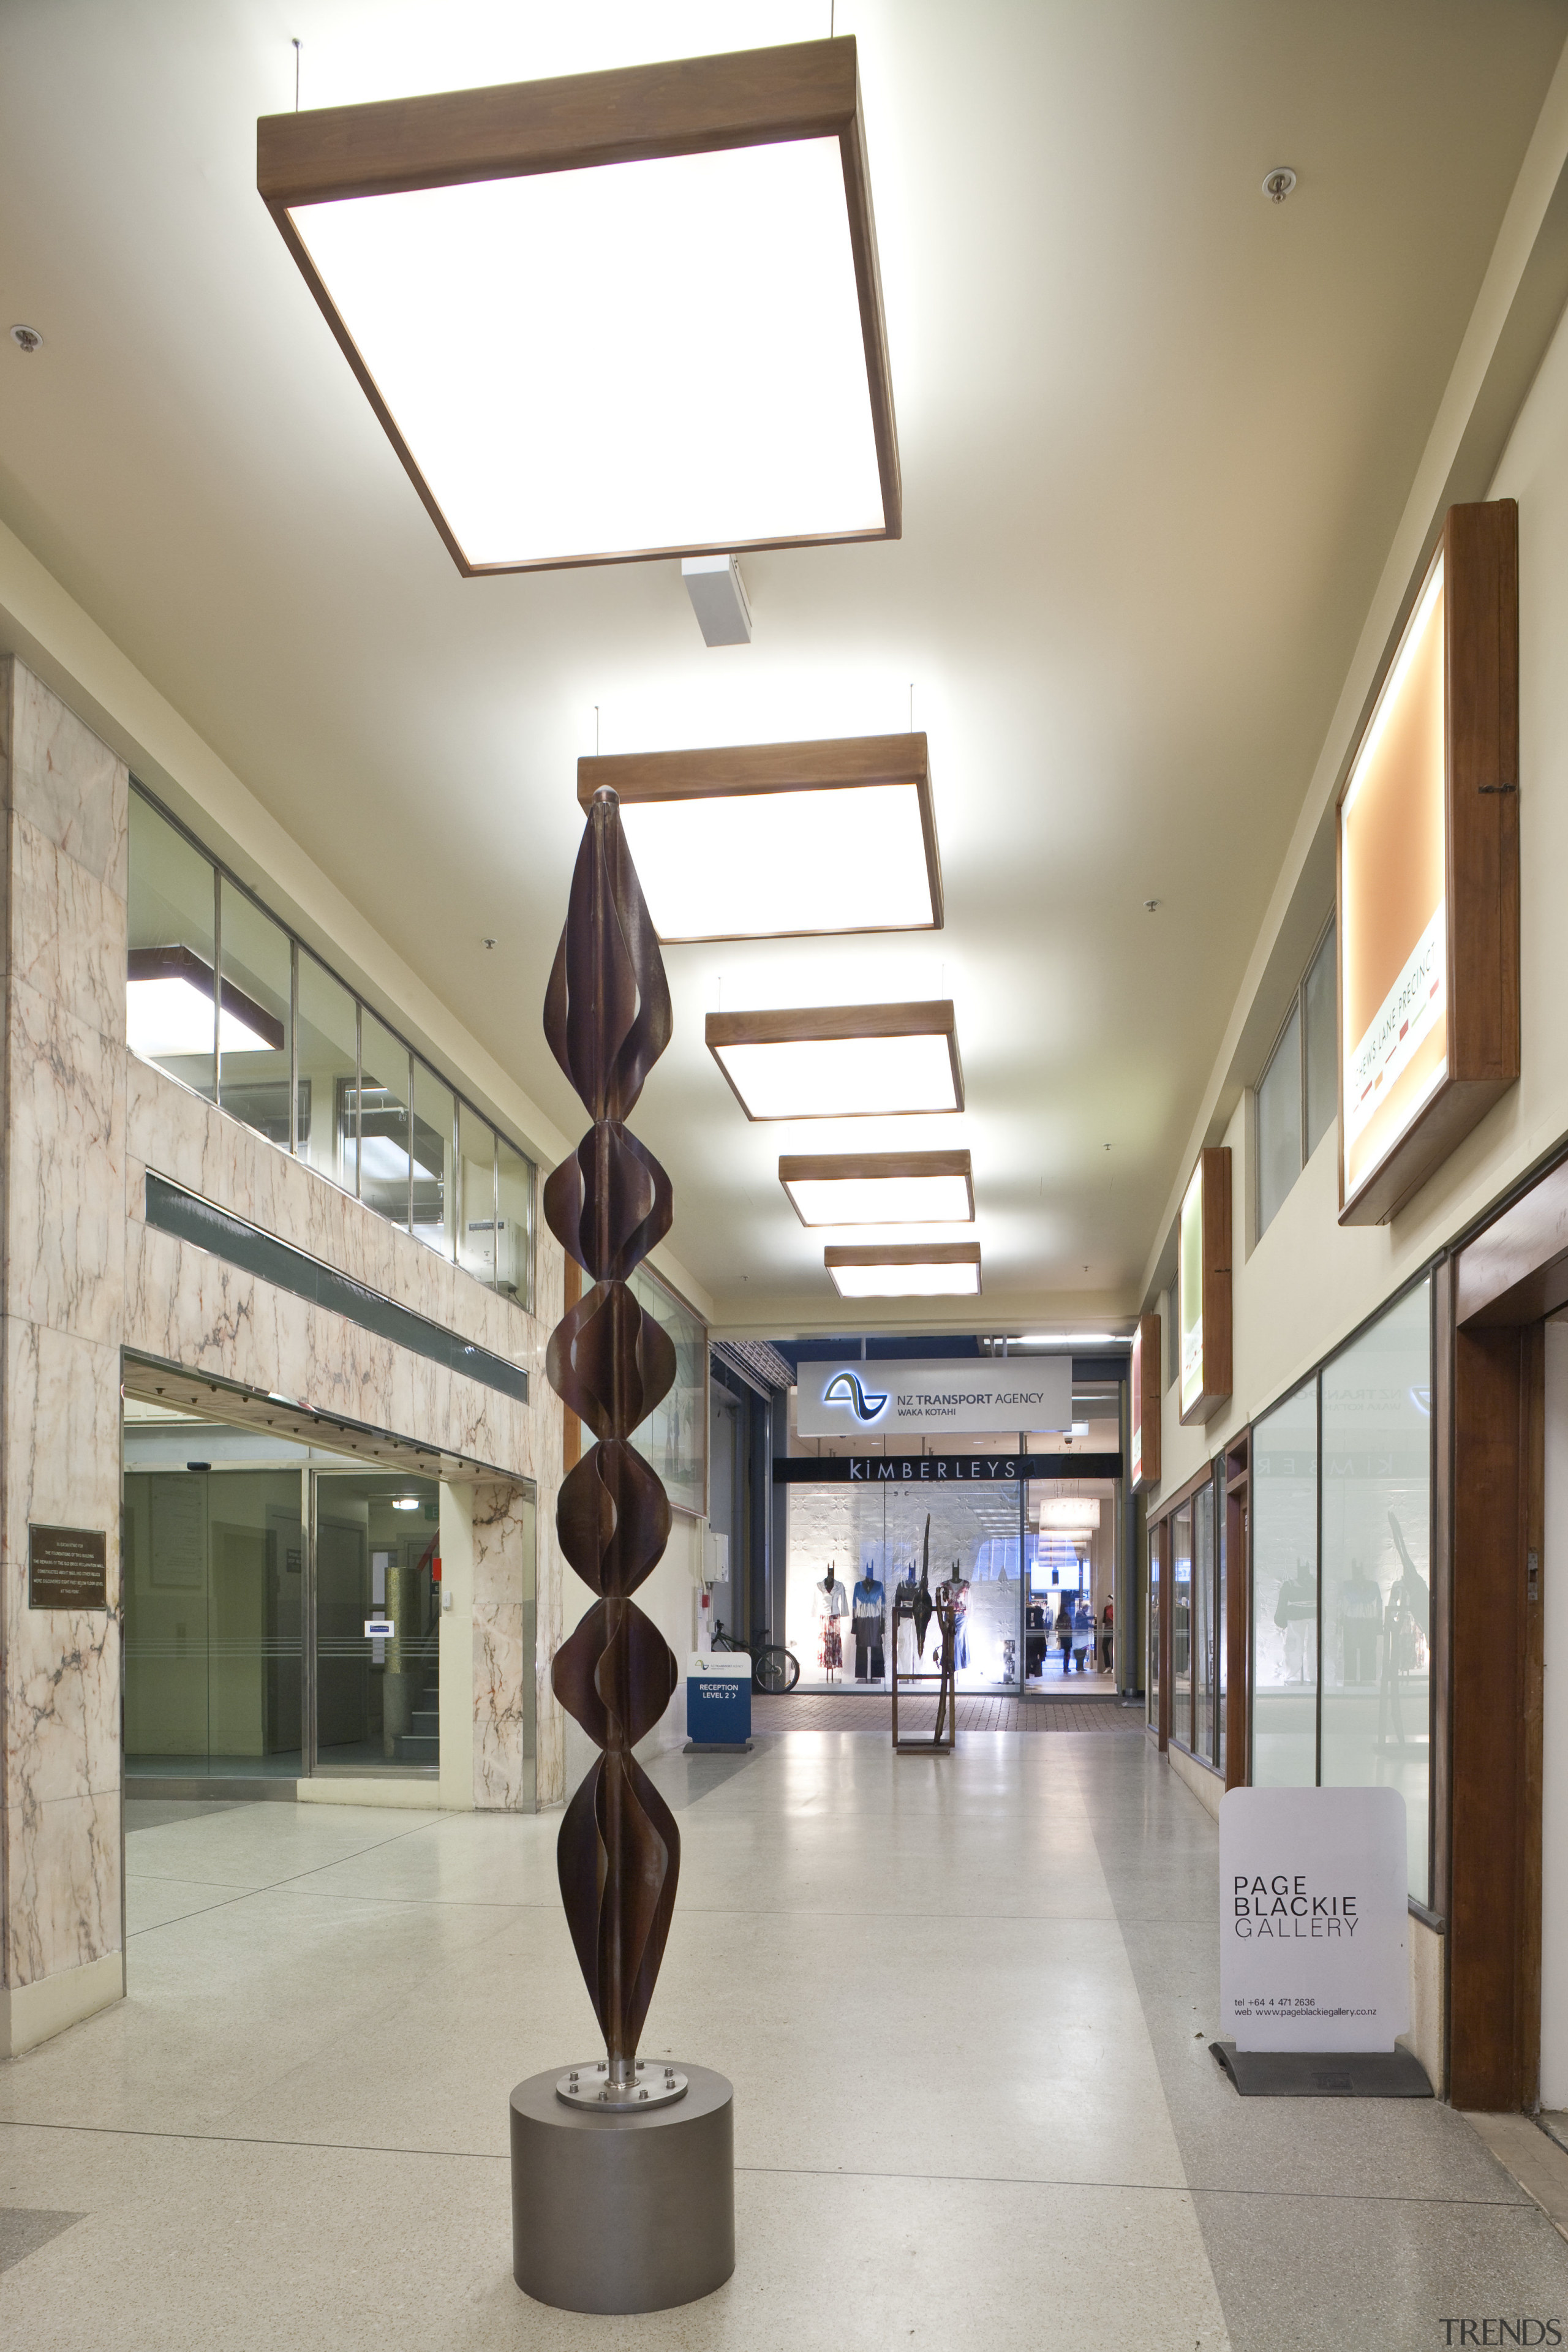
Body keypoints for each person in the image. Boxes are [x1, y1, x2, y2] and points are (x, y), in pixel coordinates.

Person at [1072, 1597, 1094, 1673]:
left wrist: (1093, 1626)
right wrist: (1093, 1617)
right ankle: (1079, 1666)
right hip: (1080, 1635)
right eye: (1087, 1608)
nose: (1088, 1609)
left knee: (1083, 1650)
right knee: (1081, 1650)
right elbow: (1085, 1619)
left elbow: (1086, 1622)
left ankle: (1081, 1666)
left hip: (1083, 1634)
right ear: (1085, 1607)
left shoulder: (1082, 1613)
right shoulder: (1080, 1613)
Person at [1056, 1596, 1075, 1675]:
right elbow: (1069, 1626)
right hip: (1067, 1636)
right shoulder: (1067, 1616)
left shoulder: (1059, 1617)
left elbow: (1058, 1627)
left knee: (1066, 1652)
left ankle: (1065, 1667)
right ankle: (1066, 1667)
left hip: (1063, 1636)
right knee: (1067, 1652)